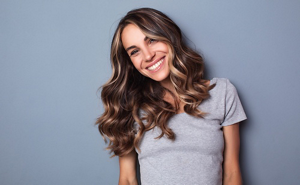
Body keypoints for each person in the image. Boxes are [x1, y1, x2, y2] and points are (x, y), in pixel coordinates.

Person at [96, 7, 247, 185]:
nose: (148, 55)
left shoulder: (222, 93)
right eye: (134, 51)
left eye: (151, 40)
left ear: (169, 37)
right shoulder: (130, 106)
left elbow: (231, 173)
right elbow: (127, 179)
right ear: (129, 62)